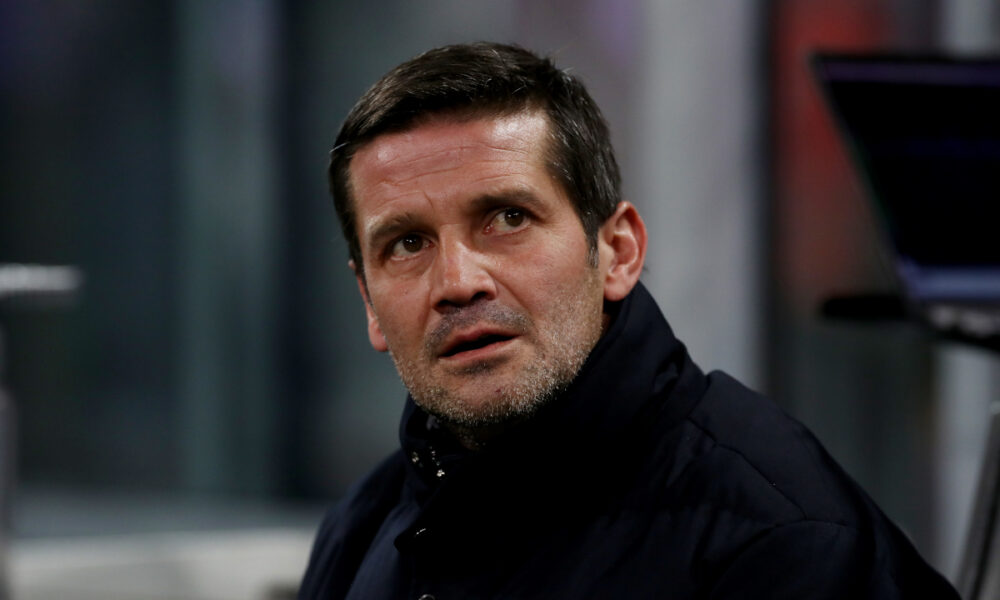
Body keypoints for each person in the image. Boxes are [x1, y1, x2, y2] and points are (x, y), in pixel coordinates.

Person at [299, 42, 958, 599]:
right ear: (368, 302)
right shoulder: (363, 525)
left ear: (617, 252)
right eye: (407, 244)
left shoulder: (781, 542)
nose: (458, 283)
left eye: (508, 219)